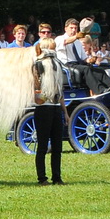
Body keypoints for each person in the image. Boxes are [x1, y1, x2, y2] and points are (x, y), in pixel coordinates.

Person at [32, 25, 66, 185]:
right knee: (43, 145)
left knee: (58, 146)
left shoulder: (57, 64)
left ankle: (57, 177)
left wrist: (64, 111)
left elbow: (60, 90)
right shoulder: (38, 64)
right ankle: (42, 178)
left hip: (55, 107)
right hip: (43, 107)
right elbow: (34, 85)